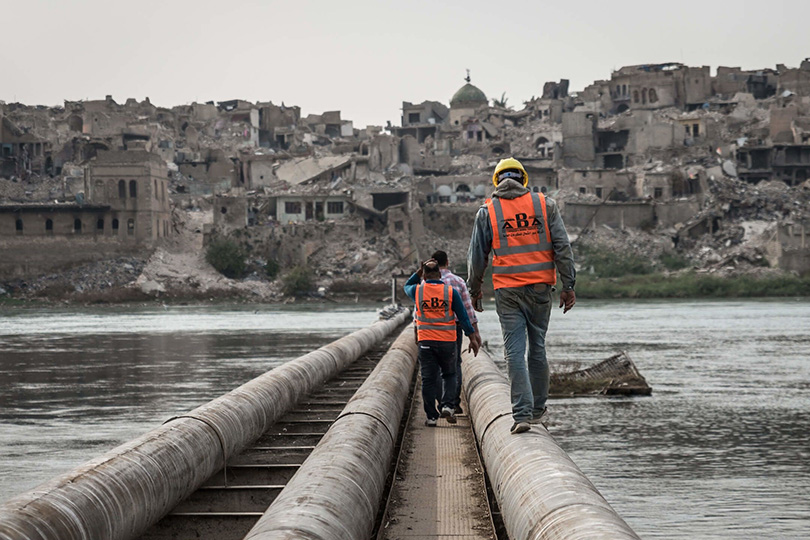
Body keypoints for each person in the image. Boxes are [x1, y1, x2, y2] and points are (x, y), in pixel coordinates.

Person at [467, 157, 576, 434]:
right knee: (537, 347)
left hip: (507, 291)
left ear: (497, 181)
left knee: (514, 351)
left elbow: (477, 258)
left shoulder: (488, 212)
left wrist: (474, 289)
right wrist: (568, 285)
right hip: (541, 289)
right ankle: (538, 410)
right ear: (523, 179)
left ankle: (522, 414)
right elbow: (562, 246)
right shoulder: (544, 205)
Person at [405, 259, 481, 426]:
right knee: (450, 374)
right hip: (447, 341)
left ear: (424, 275)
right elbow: (463, 316)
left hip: (426, 343)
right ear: (440, 274)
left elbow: (406, 285)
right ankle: (447, 405)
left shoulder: (417, 291)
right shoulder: (450, 292)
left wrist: (418, 272)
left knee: (428, 379)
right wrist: (472, 337)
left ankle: (431, 417)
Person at [430, 250, 481, 415]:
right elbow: (467, 310)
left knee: (436, 366)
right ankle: (452, 402)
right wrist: (474, 334)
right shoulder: (458, 281)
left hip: (432, 328)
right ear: (448, 261)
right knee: (453, 363)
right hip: (454, 328)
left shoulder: (425, 284)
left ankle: (441, 402)